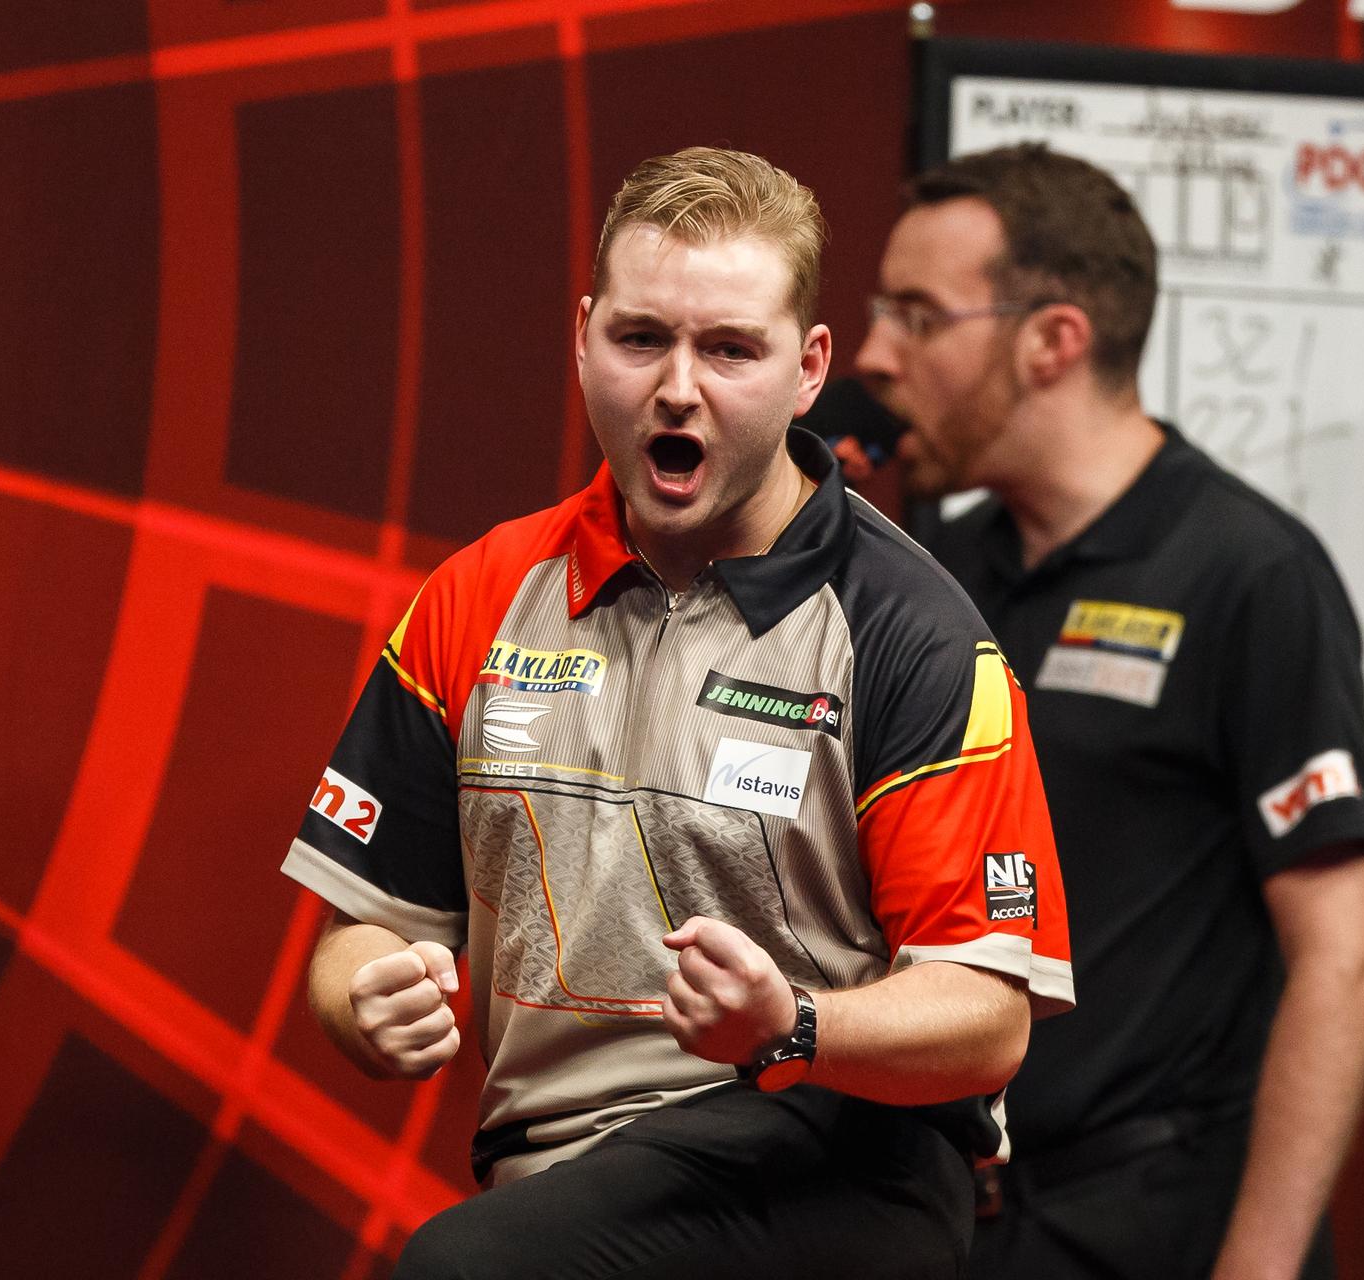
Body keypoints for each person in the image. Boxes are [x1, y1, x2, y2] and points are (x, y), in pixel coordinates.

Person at [281, 146, 1075, 1280]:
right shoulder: (479, 595)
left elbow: (988, 1016)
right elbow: (361, 928)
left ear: (808, 370)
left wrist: (796, 1023)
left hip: (825, 1150)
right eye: (642, 337)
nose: (678, 388)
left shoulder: (913, 631)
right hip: (563, 1188)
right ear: (583, 335)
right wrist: (363, 998)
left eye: (729, 349)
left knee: (463, 1273)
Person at [845, 142, 1364, 1280]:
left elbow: (1346, 957)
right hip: (946, 1214)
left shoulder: (1249, 574)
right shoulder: (930, 572)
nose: (873, 354)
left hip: (1157, 1224)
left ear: (1054, 340)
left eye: (918, 313)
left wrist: (1260, 1265)